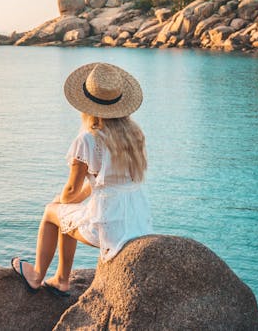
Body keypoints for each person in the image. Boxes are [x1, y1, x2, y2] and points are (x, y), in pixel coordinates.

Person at [11, 62, 153, 296]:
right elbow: (108, 183)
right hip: (138, 222)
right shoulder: (135, 134)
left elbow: (70, 190)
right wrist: (77, 197)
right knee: (69, 213)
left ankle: (37, 276)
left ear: (86, 105)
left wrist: (63, 199)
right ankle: (61, 279)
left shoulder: (87, 139)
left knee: (51, 212)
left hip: (107, 225)